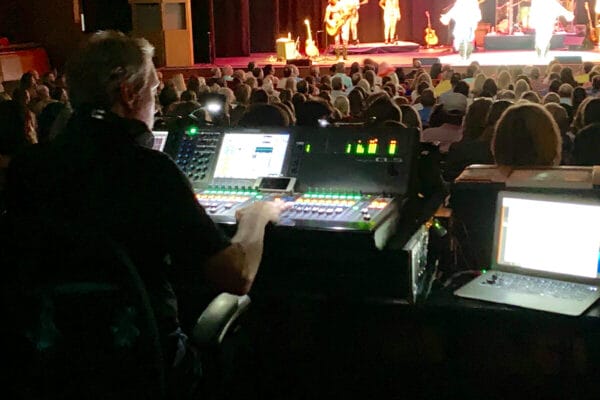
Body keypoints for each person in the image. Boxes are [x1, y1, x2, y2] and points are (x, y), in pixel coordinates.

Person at [4, 31, 285, 396]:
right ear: (128, 92)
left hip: (51, 361)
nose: (154, 102)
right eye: (153, 91)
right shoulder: (149, 171)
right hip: (142, 365)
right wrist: (257, 216)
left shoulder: (29, 167)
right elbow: (236, 275)